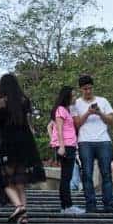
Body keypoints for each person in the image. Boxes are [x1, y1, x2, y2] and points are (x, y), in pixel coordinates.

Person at [0, 73, 45, 224]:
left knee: (6, 181)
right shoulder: (24, 101)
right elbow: (29, 122)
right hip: (25, 144)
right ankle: (23, 215)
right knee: (19, 182)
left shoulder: (0, 103)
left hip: (8, 143)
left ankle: (18, 207)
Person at [73, 74, 113, 213]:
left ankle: (108, 205)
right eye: (85, 89)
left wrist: (99, 113)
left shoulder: (103, 101)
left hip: (104, 141)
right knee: (87, 174)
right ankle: (91, 205)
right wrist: (88, 113)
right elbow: (77, 124)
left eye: (90, 88)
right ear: (80, 89)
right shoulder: (76, 103)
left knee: (106, 174)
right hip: (85, 142)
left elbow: (111, 121)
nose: (88, 91)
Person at [49, 85, 84, 214]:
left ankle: (66, 206)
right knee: (66, 177)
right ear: (67, 96)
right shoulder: (61, 110)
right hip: (66, 146)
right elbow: (58, 129)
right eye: (73, 95)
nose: (75, 98)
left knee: (67, 177)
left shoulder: (67, 109)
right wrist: (62, 146)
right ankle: (67, 206)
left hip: (70, 145)